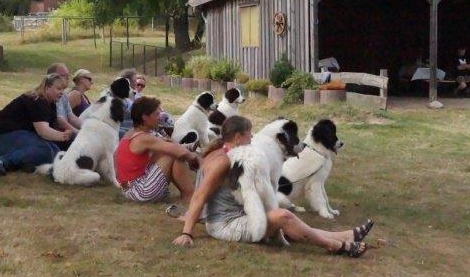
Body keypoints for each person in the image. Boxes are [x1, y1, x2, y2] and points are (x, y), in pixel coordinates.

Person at [173, 116, 373, 258]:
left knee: (286, 220)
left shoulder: (225, 153)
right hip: (225, 225)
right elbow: (199, 196)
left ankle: (345, 236)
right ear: (238, 137)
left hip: (237, 217)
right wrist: (186, 233)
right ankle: (336, 246)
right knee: (284, 216)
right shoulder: (222, 161)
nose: (253, 137)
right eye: (249, 134)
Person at [0, 73, 73, 176]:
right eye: (58, 89)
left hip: (17, 135)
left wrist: (61, 136)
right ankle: (1, 161)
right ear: (47, 88)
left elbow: (48, 131)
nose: (62, 92)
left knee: (55, 151)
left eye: (63, 89)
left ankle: (24, 164)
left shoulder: (50, 104)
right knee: (45, 150)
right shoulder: (37, 100)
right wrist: (62, 136)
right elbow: (43, 131)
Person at [114, 96, 198, 203]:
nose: (160, 118)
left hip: (130, 189)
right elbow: (177, 151)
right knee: (172, 154)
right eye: (157, 114)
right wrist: (197, 160)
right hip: (139, 191)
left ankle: (188, 193)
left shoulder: (132, 134)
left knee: (166, 151)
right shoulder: (143, 138)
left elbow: (115, 155)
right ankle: (190, 195)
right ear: (145, 117)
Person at [46, 63, 82, 149]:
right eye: (64, 75)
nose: (68, 78)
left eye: (68, 75)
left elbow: (71, 116)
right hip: (56, 135)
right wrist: (79, 133)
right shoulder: (52, 95)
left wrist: (87, 127)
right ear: (53, 77)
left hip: (64, 133)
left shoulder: (63, 95)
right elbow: (60, 122)